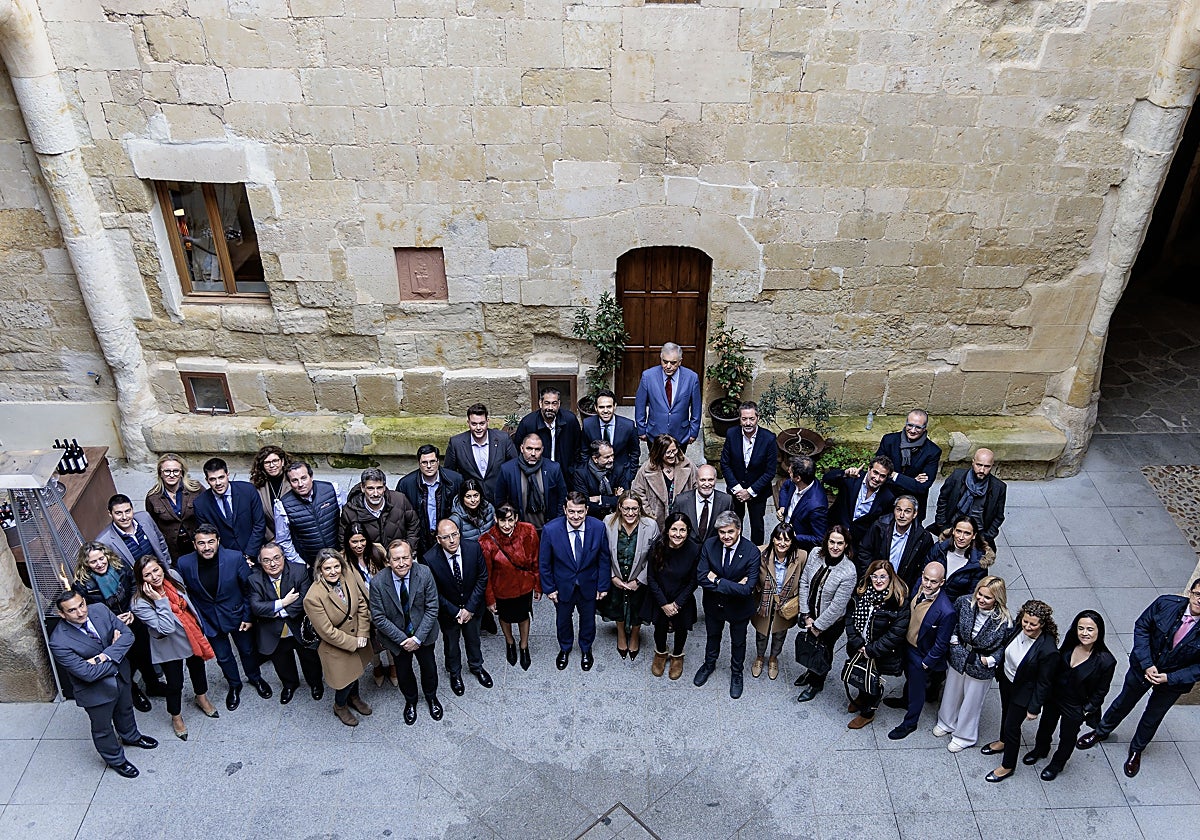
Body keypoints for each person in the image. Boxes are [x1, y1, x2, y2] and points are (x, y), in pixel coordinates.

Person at [1076, 579, 1200, 777]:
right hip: (1143, 668)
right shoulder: (1166, 603)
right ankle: (1101, 731)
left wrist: (1170, 677)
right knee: (1123, 702)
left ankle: (1136, 749)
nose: (1199, 600)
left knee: (1153, 716)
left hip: (1173, 680)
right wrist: (1147, 664)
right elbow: (1142, 627)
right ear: (1191, 592)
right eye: (1198, 594)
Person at [48, 590, 157, 778]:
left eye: (81, 605)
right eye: (72, 610)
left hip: (121, 677)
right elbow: (87, 674)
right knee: (103, 728)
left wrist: (103, 656)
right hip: (95, 691)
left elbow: (128, 636)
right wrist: (116, 651)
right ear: (62, 614)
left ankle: (131, 736)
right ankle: (116, 759)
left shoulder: (99, 609)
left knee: (126, 709)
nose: (81, 612)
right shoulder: (59, 641)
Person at [175, 524, 271, 710]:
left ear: (218, 541)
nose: (207, 547)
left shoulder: (234, 558)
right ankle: (234, 684)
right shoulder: (184, 564)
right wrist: (199, 621)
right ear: (194, 545)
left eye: (211, 541)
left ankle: (255, 678)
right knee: (223, 657)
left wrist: (248, 616)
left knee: (247, 650)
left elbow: (249, 590)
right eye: (201, 543)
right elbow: (187, 595)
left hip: (237, 616)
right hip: (209, 620)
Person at [129, 555, 218, 741]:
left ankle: (201, 698)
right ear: (141, 579)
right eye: (147, 575)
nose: (154, 577)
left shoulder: (173, 576)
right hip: (170, 644)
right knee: (175, 683)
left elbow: (187, 604)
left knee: (198, 670)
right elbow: (166, 628)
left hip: (192, 635)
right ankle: (176, 716)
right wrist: (160, 600)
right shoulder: (139, 603)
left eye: (156, 570)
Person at [73, 541, 166, 713]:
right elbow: (87, 611)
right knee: (125, 662)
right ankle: (133, 691)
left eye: (101, 559)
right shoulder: (82, 585)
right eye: (93, 562)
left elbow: (133, 586)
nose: (99, 564)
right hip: (111, 630)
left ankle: (153, 685)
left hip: (133, 620)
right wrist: (113, 620)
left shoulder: (120, 566)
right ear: (86, 564)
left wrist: (132, 610)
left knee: (144, 654)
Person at [1027, 610, 1117, 780]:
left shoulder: (1105, 660)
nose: (1084, 633)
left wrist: (1086, 710)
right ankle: (1040, 749)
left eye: (1090, 629)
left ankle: (1057, 764)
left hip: (1076, 704)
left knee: (1067, 737)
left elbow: (1101, 690)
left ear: (1099, 631)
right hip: (1054, 697)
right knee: (1045, 726)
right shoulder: (1069, 645)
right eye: (1080, 628)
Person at [981, 599, 1059, 782]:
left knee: (1012, 727)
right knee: (1005, 712)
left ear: (1043, 624)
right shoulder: (1018, 627)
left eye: (1033, 624)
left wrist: (1034, 708)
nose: (1028, 626)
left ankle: (1007, 766)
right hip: (1007, 681)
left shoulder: (1048, 650)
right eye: (1025, 621)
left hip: (1024, 693)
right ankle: (1002, 741)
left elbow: (1044, 682)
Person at [935, 575, 1012, 753]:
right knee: (951, 691)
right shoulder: (964, 602)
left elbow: (1005, 646)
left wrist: (990, 660)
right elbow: (952, 622)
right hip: (959, 655)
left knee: (972, 701)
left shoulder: (1004, 620)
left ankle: (964, 736)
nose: (981, 599)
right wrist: (954, 641)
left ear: (997, 599)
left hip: (981, 664)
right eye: (980, 594)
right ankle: (946, 722)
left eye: (987, 597)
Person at [369, 539, 443, 724]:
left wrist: (417, 638)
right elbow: (378, 617)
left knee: (429, 668)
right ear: (388, 561)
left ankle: (431, 697)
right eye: (396, 559)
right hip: (397, 639)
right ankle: (411, 701)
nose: (401, 563)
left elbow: (432, 607)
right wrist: (404, 640)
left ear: (412, 557)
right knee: (403, 672)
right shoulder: (378, 583)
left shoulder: (424, 573)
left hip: (423, 634)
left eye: (405, 557)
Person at [539, 491, 612, 671]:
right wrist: (549, 588)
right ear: (565, 510)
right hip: (562, 587)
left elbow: (604, 558)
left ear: (587, 510)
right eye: (571, 511)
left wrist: (603, 585)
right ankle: (565, 648)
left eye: (580, 512)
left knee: (588, 621)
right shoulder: (551, 530)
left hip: (589, 585)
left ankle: (586, 649)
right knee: (563, 620)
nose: (576, 516)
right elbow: (544, 563)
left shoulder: (598, 527)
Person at [884, 561, 956, 740]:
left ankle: (910, 723)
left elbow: (941, 644)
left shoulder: (946, 611)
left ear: (942, 582)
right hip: (907, 645)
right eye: (926, 579)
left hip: (921, 654)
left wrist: (926, 663)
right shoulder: (919, 586)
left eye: (933, 581)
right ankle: (904, 700)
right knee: (908, 678)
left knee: (918, 690)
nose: (928, 584)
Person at [693, 511, 761, 699]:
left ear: (738, 529)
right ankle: (709, 664)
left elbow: (747, 589)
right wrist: (733, 585)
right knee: (712, 636)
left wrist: (717, 581)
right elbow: (700, 577)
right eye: (722, 532)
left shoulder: (751, 551)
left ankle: (736, 673)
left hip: (739, 608)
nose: (726, 536)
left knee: (738, 642)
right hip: (714, 605)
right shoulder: (710, 545)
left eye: (730, 532)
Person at [246, 543, 324, 704]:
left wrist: (278, 611)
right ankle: (290, 685)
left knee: (310, 659)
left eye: (276, 558)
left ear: (283, 557)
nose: (272, 564)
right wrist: (283, 602)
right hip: (274, 632)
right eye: (266, 560)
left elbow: (304, 598)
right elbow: (256, 606)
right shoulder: (254, 579)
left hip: (299, 627)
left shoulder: (299, 570)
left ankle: (315, 683)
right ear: (260, 562)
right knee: (282, 662)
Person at [303, 548, 373, 727]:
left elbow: (362, 605)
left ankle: (354, 698)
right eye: (328, 568)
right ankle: (340, 705)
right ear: (319, 570)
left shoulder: (347, 576)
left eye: (336, 566)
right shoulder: (313, 597)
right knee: (344, 682)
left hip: (358, 635)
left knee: (355, 672)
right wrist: (354, 642)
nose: (333, 571)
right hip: (336, 646)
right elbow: (326, 631)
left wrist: (363, 632)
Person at [423, 519, 492, 696]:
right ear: (438, 539)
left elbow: (482, 577)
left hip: (472, 607)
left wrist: (469, 609)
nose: (452, 540)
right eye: (446, 537)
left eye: (454, 535)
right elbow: (433, 592)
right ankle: (455, 674)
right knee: (451, 644)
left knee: (473, 638)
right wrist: (456, 611)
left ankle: (477, 666)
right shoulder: (429, 559)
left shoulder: (473, 548)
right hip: (448, 612)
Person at [844, 559, 911, 729]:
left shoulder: (898, 600)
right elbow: (850, 616)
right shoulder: (861, 592)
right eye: (875, 576)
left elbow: (896, 633)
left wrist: (871, 650)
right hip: (858, 646)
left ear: (890, 578)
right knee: (861, 674)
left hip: (880, 653)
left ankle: (868, 713)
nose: (878, 580)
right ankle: (861, 696)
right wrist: (856, 640)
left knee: (874, 682)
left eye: (883, 577)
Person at [795, 526, 858, 702]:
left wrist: (817, 626)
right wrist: (805, 613)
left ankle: (816, 683)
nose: (835, 547)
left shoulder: (849, 571)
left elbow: (837, 606)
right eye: (832, 542)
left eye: (840, 543)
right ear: (826, 541)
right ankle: (809, 672)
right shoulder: (815, 553)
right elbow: (804, 582)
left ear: (846, 545)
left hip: (831, 623)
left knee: (823, 651)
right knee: (811, 646)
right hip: (810, 614)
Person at [480, 503, 541, 670]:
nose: (506, 525)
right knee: (505, 617)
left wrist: (538, 585)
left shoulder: (528, 531)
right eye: (502, 521)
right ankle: (509, 642)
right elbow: (487, 574)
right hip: (502, 590)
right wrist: (490, 599)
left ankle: (524, 645)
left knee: (523, 616)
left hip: (525, 586)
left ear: (516, 519)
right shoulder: (487, 541)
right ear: (495, 519)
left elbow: (536, 560)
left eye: (510, 520)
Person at [599, 494, 660, 661]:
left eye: (634, 508)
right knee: (617, 606)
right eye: (626, 508)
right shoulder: (608, 522)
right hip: (616, 576)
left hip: (639, 578)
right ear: (619, 507)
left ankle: (634, 635)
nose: (630, 512)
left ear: (640, 508)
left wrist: (640, 580)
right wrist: (612, 576)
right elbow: (603, 552)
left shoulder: (651, 525)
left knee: (637, 609)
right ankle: (620, 633)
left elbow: (655, 558)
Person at [642, 512, 700, 680]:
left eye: (682, 530)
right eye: (674, 529)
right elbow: (651, 578)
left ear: (688, 531)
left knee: (681, 629)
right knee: (659, 628)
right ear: (667, 530)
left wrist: (677, 604)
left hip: (682, 598)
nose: (678, 534)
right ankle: (660, 653)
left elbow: (693, 581)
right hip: (660, 597)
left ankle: (677, 656)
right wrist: (663, 604)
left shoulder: (695, 549)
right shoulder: (657, 546)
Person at [751, 522, 806, 681]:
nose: (782, 543)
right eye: (779, 539)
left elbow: (804, 579)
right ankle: (760, 657)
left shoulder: (801, 556)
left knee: (780, 633)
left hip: (786, 602)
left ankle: (774, 658)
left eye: (786, 540)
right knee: (761, 632)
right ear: (773, 539)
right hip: (765, 601)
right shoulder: (761, 553)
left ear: (791, 542)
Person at [720, 401, 778, 546]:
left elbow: (770, 471)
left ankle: (756, 552)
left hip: (758, 492)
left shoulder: (769, 439)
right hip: (736, 491)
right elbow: (725, 464)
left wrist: (751, 491)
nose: (748, 423)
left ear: (757, 417)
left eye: (751, 418)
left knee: (757, 525)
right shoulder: (731, 434)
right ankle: (734, 549)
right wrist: (738, 489)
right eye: (744, 419)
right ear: (739, 419)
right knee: (734, 523)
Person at [342, 522, 392, 688]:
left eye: (362, 541)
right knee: (371, 642)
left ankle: (393, 666)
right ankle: (377, 667)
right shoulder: (343, 560)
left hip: (384, 604)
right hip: (362, 610)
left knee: (390, 639)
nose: (359, 545)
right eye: (354, 542)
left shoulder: (377, 550)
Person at [193, 457, 267, 564]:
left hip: (256, 554)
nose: (218, 483)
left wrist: (249, 554)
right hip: (226, 560)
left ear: (228, 475)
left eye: (221, 477)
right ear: (207, 480)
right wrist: (233, 558)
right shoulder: (200, 504)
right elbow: (207, 535)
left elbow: (259, 524)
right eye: (213, 479)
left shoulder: (248, 490)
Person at [873, 410, 942, 523]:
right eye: (910, 425)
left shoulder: (933, 451)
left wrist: (893, 475)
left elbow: (922, 487)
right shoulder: (889, 441)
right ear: (905, 424)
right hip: (884, 502)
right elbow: (879, 472)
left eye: (918, 427)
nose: (913, 430)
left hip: (912, 506)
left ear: (924, 428)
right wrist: (911, 481)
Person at [931, 448, 1007, 549]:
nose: (982, 470)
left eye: (987, 466)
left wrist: (987, 536)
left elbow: (999, 516)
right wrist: (942, 524)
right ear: (973, 462)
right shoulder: (957, 476)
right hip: (953, 527)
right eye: (979, 465)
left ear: (992, 466)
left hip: (979, 532)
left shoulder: (999, 487)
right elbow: (943, 499)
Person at [445, 402, 518, 502]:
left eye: (482, 423)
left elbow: (514, 467)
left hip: (500, 500)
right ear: (468, 423)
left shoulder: (503, 439)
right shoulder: (456, 443)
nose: (478, 428)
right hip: (471, 504)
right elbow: (449, 475)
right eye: (474, 424)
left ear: (488, 421)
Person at [397, 444, 463, 555]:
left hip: (448, 537)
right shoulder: (406, 484)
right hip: (421, 539)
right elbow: (399, 515)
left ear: (438, 462)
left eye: (432, 462)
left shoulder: (455, 480)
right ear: (419, 463)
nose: (429, 466)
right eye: (424, 462)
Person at [634, 341, 702, 448]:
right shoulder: (648, 376)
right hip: (655, 434)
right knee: (655, 464)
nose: (668, 366)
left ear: (680, 362)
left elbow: (696, 408)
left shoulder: (692, 378)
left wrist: (693, 432)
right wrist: (641, 429)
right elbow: (640, 405)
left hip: (681, 435)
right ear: (660, 358)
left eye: (673, 363)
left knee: (678, 464)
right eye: (665, 362)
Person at [858, 495, 934, 589]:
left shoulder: (923, 537)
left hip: (902, 588)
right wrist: (871, 575)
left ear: (914, 514)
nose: (902, 515)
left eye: (907, 511)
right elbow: (864, 550)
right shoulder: (880, 527)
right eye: (898, 510)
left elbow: (924, 567)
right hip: (876, 583)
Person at [496, 433, 567, 533]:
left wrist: (556, 523)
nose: (533, 453)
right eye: (529, 448)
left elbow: (562, 498)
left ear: (542, 450)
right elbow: (500, 499)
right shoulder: (508, 470)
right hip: (519, 530)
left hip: (548, 528)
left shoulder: (553, 469)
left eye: (537, 449)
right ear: (521, 448)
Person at [275, 461, 341, 567]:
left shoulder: (331, 489)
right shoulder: (282, 505)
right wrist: (300, 563)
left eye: (303, 478)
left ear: (311, 476)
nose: (300, 484)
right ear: (289, 483)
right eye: (295, 480)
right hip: (311, 563)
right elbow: (283, 540)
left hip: (340, 556)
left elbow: (346, 521)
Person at [339, 467, 421, 553]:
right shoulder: (350, 511)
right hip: (369, 562)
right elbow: (343, 540)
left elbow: (413, 526)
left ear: (384, 487)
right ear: (363, 488)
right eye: (370, 488)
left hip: (398, 559)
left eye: (379, 488)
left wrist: (407, 550)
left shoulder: (400, 500)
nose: (375, 493)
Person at [823, 454, 897, 547]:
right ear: (869, 469)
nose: (877, 478)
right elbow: (826, 479)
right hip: (832, 532)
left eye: (882, 476)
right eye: (875, 473)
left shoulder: (887, 497)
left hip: (856, 543)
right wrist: (845, 473)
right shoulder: (853, 478)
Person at [512, 387, 581, 481]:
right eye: (547, 403)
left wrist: (573, 470)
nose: (550, 408)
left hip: (565, 475)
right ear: (540, 403)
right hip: (537, 475)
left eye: (554, 403)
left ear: (559, 404)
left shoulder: (570, 420)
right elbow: (518, 451)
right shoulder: (528, 423)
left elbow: (578, 448)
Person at [143, 452, 201, 561]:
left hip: (197, 542)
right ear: (160, 473)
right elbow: (153, 525)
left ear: (181, 472)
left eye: (175, 471)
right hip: (173, 548)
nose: (171, 475)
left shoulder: (195, 489)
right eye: (167, 471)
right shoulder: (153, 497)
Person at [631, 434, 697, 528]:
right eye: (668, 452)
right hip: (657, 522)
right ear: (659, 453)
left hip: (683, 520)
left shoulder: (688, 465)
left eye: (674, 450)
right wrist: (650, 515)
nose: (672, 455)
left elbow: (697, 486)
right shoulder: (646, 469)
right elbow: (638, 492)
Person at [578, 388, 638, 491]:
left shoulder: (628, 425)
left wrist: (629, 475)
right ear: (596, 408)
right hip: (596, 476)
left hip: (622, 476)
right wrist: (588, 475)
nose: (605, 411)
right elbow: (584, 452)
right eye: (601, 407)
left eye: (609, 406)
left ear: (615, 406)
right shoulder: (588, 425)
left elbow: (635, 452)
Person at [95, 494, 172, 573]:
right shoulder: (104, 541)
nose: (124, 517)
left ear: (132, 509)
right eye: (118, 513)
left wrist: (168, 566)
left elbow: (161, 541)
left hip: (162, 573)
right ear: (110, 514)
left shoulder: (145, 518)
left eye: (127, 511)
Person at [927, 514, 994, 602]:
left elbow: (971, 595)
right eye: (958, 531)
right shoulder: (939, 549)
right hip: (929, 600)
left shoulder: (978, 563)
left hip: (953, 608)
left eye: (967, 533)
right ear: (953, 531)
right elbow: (923, 574)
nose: (961, 537)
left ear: (973, 536)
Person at [669, 463, 732, 545]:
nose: (706, 484)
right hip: (686, 550)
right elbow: (672, 526)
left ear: (715, 479)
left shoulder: (726, 500)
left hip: (713, 551)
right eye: (702, 480)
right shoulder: (681, 500)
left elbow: (730, 527)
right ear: (696, 480)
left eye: (710, 480)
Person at [775, 455, 828, 552]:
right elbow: (785, 487)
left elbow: (820, 538)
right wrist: (782, 507)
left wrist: (795, 537)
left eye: (790, 472)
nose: (788, 472)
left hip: (798, 545)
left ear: (798, 478)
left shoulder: (816, 506)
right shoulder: (797, 481)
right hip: (786, 527)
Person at [249, 445, 291, 542]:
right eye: (267, 462)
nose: (272, 465)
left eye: (275, 461)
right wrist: (271, 538)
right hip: (270, 539)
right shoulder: (255, 485)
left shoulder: (293, 480)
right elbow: (255, 515)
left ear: (283, 461)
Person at [572, 439, 623, 520]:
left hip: (616, 517)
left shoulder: (619, 469)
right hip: (592, 519)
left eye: (612, 455)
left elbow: (624, 499)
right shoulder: (581, 473)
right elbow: (583, 503)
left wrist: (600, 499)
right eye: (607, 457)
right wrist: (613, 499)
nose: (611, 460)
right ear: (595, 459)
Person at [450, 478, 496, 542]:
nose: (473, 500)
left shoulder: (489, 509)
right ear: (462, 498)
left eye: (476, 495)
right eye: (468, 497)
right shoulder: (456, 519)